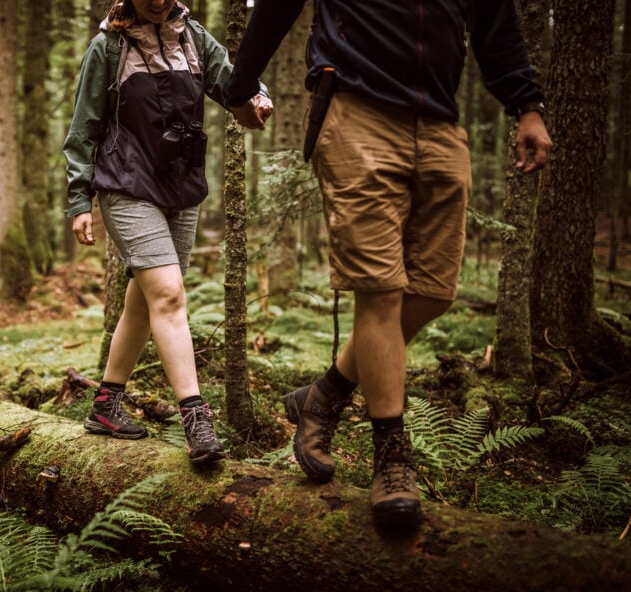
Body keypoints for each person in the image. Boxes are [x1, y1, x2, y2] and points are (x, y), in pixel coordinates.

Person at [223, 1, 551, 525]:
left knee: (434, 292)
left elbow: (495, 21)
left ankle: (324, 395)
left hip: (440, 122)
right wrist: (239, 85)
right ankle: (392, 460)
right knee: (380, 290)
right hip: (355, 108)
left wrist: (527, 105)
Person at [63, 0, 273, 465]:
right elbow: (83, 129)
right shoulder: (109, 47)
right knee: (171, 295)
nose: (157, 1)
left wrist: (257, 94)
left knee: (146, 299)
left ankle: (105, 405)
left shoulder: (194, 38)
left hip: (181, 188)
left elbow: (232, 80)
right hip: (126, 184)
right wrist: (80, 200)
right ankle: (196, 417)